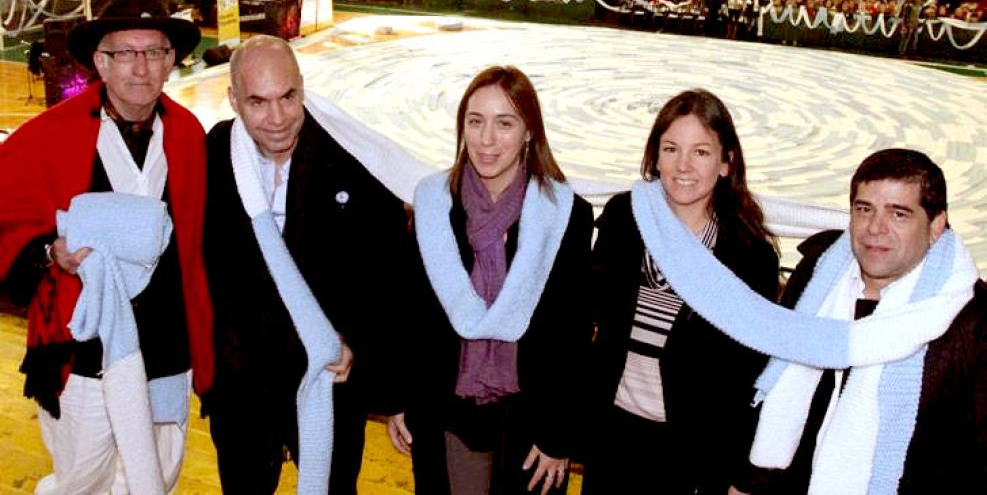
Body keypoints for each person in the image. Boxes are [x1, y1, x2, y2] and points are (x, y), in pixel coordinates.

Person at [0, 0, 211, 493]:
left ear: (170, 63)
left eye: (155, 52)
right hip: (80, 356)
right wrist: (50, 252)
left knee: (157, 473)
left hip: (166, 349)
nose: (141, 68)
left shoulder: (189, 136)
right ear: (101, 61)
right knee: (82, 481)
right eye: (125, 53)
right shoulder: (46, 136)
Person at [203, 35, 416, 494]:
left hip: (327, 382)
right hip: (243, 387)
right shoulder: (214, 155)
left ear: (303, 87)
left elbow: (392, 277)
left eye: (287, 97)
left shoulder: (354, 162)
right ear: (233, 99)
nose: (277, 118)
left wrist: (358, 343)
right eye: (257, 102)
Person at [386, 66, 594, 495]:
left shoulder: (565, 215)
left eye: (505, 123)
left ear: (529, 132)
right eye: (475, 121)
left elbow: (571, 335)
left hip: (530, 421)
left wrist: (559, 435)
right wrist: (399, 400)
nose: (486, 139)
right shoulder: (432, 206)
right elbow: (408, 315)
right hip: (444, 410)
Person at [749, 148, 985, 494]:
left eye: (899, 214)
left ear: (935, 226)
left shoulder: (970, 323)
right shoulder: (817, 280)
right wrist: (749, 481)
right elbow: (776, 388)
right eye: (864, 210)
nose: (875, 228)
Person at [582, 89, 780, 494]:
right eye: (671, 149)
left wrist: (740, 476)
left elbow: (750, 377)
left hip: (691, 454)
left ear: (727, 163)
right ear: (655, 157)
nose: (683, 165)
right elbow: (587, 325)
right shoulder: (624, 218)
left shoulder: (747, 255)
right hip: (611, 437)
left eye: (701, 152)